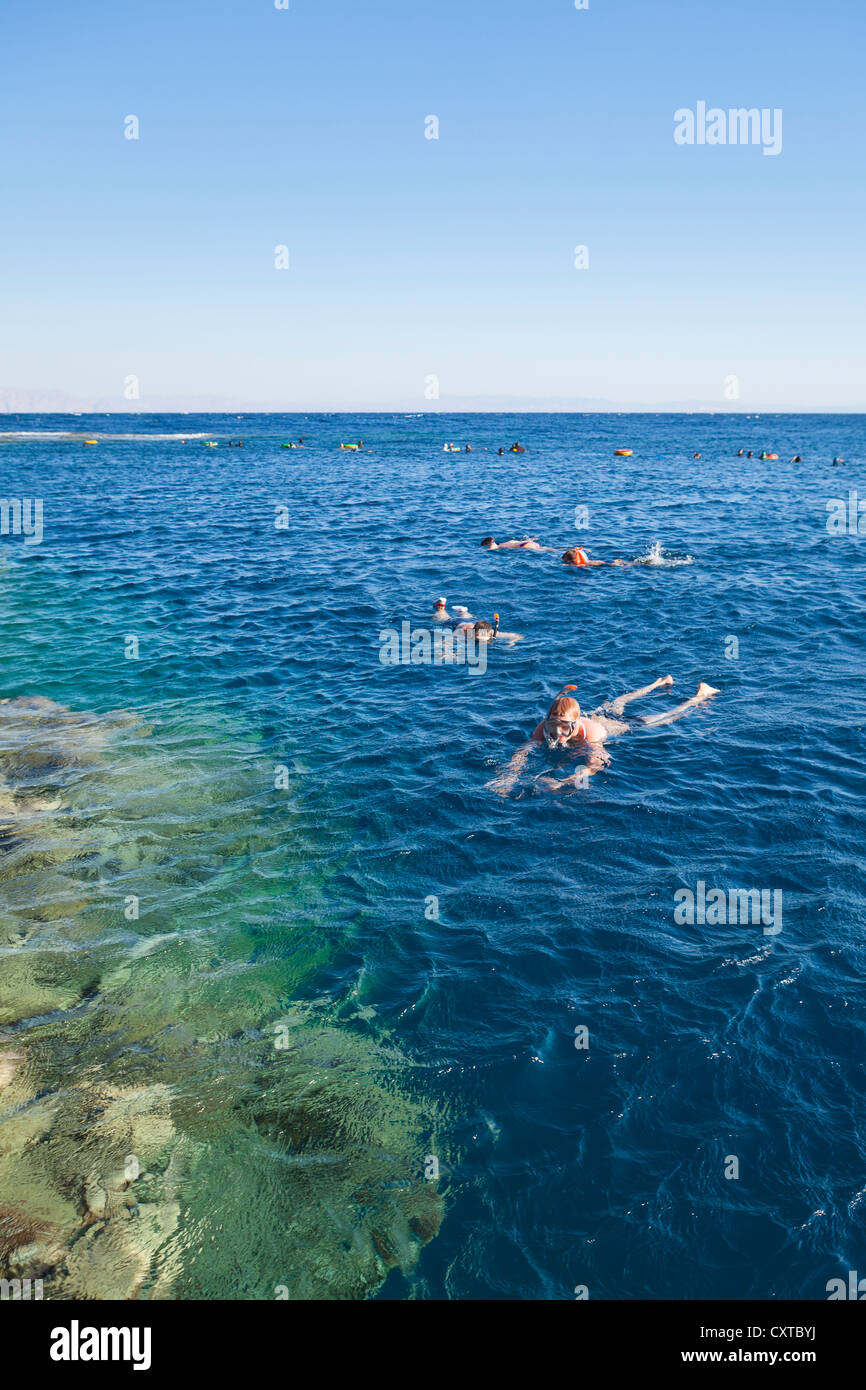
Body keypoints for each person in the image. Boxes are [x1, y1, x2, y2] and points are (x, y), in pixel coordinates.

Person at [486, 677, 720, 795]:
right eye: (552, 725)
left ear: (575, 723)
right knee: (621, 700)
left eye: (563, 727)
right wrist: (509, 777)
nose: (556, 733)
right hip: (598, 714)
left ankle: (700, 696)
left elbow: (596, 765)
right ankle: (660, 682)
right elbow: (523, 751)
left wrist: (563, 783)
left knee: (667, 717)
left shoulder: (591, 736)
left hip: (616, 725)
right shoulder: (545, 727)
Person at [561, 546, 634, 568]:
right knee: (619, 561)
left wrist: (566, 565)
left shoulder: (580, 564)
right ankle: (633, 563)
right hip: (605, 561)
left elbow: (576, 565)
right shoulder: (583, 560)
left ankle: (630, 565)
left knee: (619, 564)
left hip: (604, 563)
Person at [482, 536, 557, 552]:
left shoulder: (494, 546)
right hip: (527, 542)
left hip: (524, 545)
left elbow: (490, 549)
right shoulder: (507, 542)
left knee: (544, 550)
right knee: (544, 548)